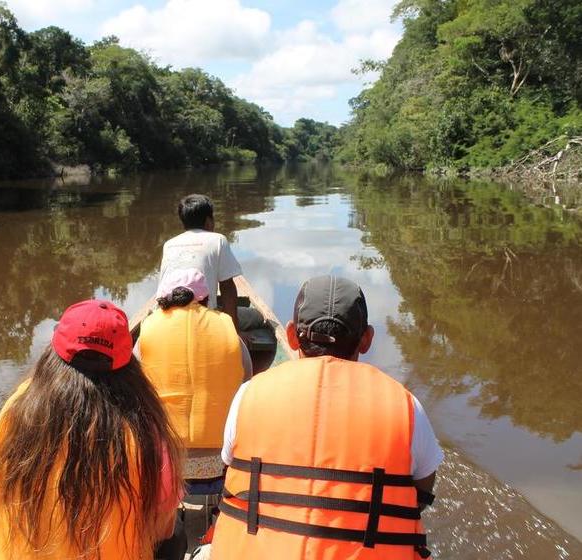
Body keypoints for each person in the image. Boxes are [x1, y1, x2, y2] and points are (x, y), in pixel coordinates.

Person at [211, 275, 444, 559]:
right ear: (367, 339)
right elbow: (422, 490)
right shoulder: (406, 404)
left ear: (292, 336)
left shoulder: (249, 394)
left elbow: (229, 469)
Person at [0, 299, 185, 560]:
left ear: (52, 354)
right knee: (177, 534)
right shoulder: (145, 429)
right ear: (129, 365)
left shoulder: (15, 409)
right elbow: (162, 529)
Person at [139, 268, 251, 452]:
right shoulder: (227, 326)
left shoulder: (148, 327)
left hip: (167, 455)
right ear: (206, 299)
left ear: (163, 300)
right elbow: (247, 384)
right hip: (222, 454)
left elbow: (135, 387)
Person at [160, 194, 242, 330]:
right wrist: (234, 332)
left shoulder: (169, 244)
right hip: (205, 321)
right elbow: (227, 287)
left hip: (166, 319)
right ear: (209, 221)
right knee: (254, 317)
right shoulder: (218, 240)